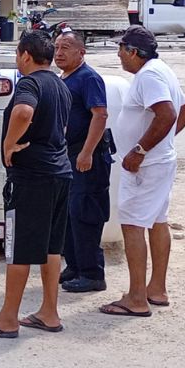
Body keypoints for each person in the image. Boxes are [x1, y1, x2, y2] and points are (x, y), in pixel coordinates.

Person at [0, 31, 71, 338]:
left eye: (17, 55)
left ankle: (7, 318)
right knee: (52, 248)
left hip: (32, 177)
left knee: (19, 247)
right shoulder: (60, 85)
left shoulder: (30, 83)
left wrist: (9, 144)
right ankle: (49, 312)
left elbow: (24, 111)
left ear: (25, 55)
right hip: (59, 173)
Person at [100, 26, 185, 317]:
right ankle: (156, 289)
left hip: (146, 164)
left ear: (134, 52)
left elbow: (170, 113)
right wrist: (161, 143)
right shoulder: (159, 69)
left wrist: (141, 150)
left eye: (122, 50)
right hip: (158, 161)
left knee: (132, 224)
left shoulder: (149, 76)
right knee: (157, 220)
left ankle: (137, 297)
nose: (119, 56)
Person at [53, 30, 112, 293]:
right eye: (56, 47)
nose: (59, 53)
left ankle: (92, 273)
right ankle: (74, 265)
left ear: (81, 52)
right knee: (67, 214)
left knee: (85, 214)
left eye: (66, 47)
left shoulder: (89, 78)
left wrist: (86, 153)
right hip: (65, 157)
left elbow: (99, 115)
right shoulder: (62, 78)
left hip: (86, 156)